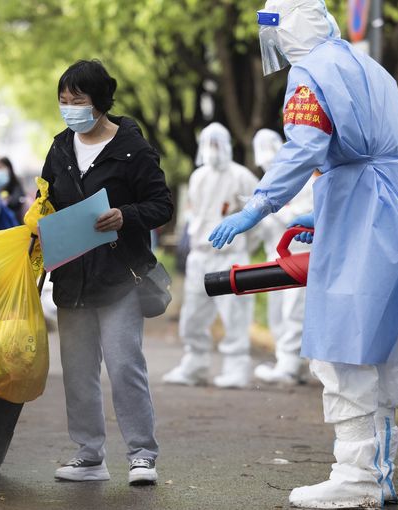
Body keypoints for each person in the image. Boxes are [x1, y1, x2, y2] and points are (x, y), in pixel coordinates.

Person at [208, 0, 398, 509]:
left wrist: (258, 207)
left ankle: (355, 476)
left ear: (287, 30)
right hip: (388, 207)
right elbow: (373, 151)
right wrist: (331, 213)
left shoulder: (310, 73)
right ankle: (381, 472)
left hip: (358, 207)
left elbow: (304, 147)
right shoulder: (373, 68)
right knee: (379, 343)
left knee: (343, 345)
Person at [42, 59, 173, 486]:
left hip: (119, 278)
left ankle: (142, 454)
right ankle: (89, 455)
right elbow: (46, 201)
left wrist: (125, 215)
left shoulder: (131, 148)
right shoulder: (60, 147)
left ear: (100, 102)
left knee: (123, 365)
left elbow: (161, 204)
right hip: (72, 278)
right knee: (77, 371)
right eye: (63, 100)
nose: (69, 108)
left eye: (77, 100)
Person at [162, 122, 258, 389]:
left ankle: (237, 366)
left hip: (231, 256)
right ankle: (195, 362)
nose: (212, 150)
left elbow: (259, 216)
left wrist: (243, 247)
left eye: (217, 143)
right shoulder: (198, 177)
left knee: (235, 313)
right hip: (200, 254)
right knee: (193, 313)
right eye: (208, 143)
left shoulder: (242, 176)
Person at [250, 128, 314, 386]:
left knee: (294, 311)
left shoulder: (305, 178)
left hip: (299, 255)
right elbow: (266, 228)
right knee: (277, 312)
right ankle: (287, 361)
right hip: (274, 255)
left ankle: (289, 365)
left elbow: (302, 217)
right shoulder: (267, 181)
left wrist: (274, 209)